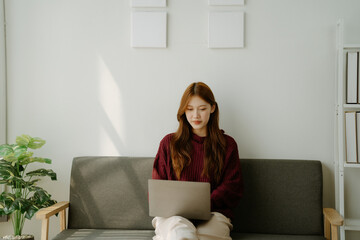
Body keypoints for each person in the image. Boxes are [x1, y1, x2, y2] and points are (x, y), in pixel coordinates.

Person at [152, 82, 243, 240]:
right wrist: (183, 208)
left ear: (212, 108)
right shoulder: (168, 143)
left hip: (213, 214)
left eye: (202, 109)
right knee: (179, 232)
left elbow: (233, 187)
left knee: (205, 236)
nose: (196, 115)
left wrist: (202, 205)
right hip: (173, 216)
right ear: (183, 110)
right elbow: (157, 188)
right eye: (190, 109)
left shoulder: (228, 145)